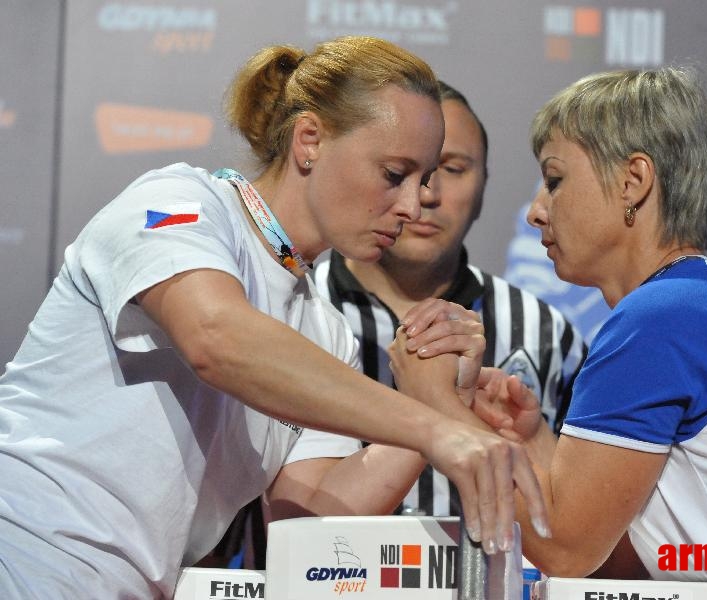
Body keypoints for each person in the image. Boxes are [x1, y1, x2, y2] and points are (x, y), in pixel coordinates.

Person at [0, 36, 548, 599]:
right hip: (23, 548)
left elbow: (307, 520)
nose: (412, 206)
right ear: (309, 141)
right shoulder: (183, 202)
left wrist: (441, 403)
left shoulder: (325, 330)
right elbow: (216, 338)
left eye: (425, 179)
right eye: (393, 174)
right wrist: (436, 432)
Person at [391, 66, 707, 598]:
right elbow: (617, 548)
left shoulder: (663, 316)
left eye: (556, 179)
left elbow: (566, 550)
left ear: (634, 182)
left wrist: (435, 409)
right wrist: (532, 443)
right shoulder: (705, 297)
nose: (538, 211)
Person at [286, 80, 586, 518]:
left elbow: (576, 513)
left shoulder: (547, 332)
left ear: (486, 187)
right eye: (399, 172)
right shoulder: (297, 311)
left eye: (454, 168)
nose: (426, 194)